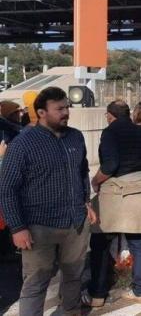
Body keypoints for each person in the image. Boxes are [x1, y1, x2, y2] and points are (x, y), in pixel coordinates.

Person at [0, 86, 97, 315]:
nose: (66, 112)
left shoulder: (75, 136)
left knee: (74, 277)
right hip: (38, 227)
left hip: (75, 223)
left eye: (67, 107)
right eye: (59, 108)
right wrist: (18, 228)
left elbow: (81, 171)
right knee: (36, 283)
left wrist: (86, 202)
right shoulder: (23, 144)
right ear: (42, 112)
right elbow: (7, 188)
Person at [83, 100, 141, 307]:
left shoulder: (110, 132)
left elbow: (110, 164)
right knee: (138, 242)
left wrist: (95, 180)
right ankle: (140, 291)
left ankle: (97, 294)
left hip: (116, 193)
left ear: (110, 115)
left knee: (100, 241)